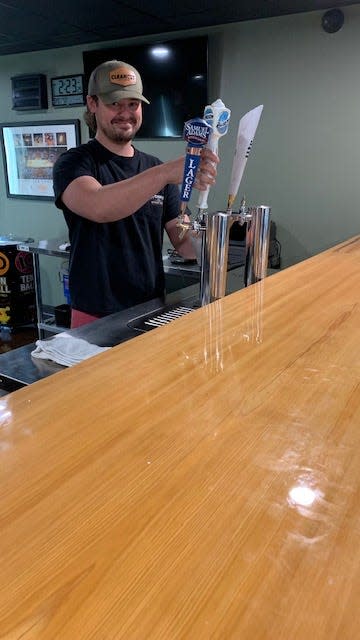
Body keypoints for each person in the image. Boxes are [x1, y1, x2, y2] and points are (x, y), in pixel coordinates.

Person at [53, 59, 218, 328]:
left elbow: (184, 240)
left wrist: (224, 233)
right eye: (114, 103)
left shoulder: (153, 167)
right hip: (95, 314)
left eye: (133, 104)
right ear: (92, 104)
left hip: (151, 309)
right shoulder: (74, 163)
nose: (125, 113)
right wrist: (165, 173)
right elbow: (99, 206)